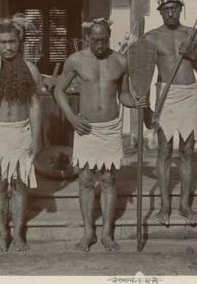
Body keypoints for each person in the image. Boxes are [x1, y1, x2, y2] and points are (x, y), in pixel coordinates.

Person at [54, 17, 147, 252]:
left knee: (108, 180)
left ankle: (106, 233)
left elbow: (124, 95)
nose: (100, 45)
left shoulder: (120, 61)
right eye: (95, 40)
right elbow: (58, 91)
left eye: (104, 39)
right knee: (85, 179)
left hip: (110, 128)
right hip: (85, 128)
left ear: (109, 36)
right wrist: (72, 118)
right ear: (87, 38)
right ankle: (88, 232)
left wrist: (136, 102)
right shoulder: (75, 60)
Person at [0, 14, 42, 252]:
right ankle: (2, 234)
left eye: (12, 41)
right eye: (3, 42)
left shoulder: (31, 70)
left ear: (19, 40)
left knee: (20, 184)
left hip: (21, 131)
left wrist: (36, 137)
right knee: (0, 185)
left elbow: (34, 106)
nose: (8, 47)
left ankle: (19, 234)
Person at [143, 0, 197, 226]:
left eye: (174, 8)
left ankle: (184, 206)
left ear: (181, 9)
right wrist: (146, 109)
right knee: (164, 151)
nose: (170, 13)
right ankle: (164, 207)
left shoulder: (193, 35)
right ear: (160, 12)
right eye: (166, 9)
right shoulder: (151, 38)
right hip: (165, 94)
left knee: (187, 151)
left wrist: (191, 55)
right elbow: (143, 76)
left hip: (188, 93)